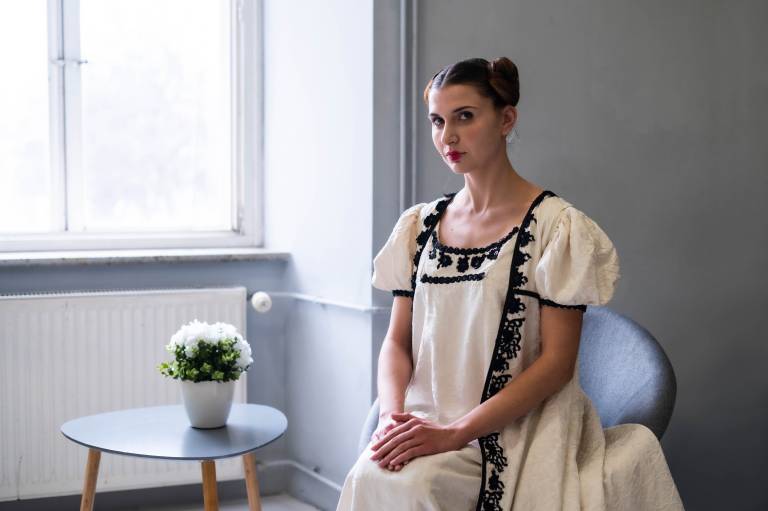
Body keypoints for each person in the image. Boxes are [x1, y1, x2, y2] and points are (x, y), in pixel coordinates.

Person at [337, 57, 684, 510]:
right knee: (372, 473)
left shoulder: (555, 227)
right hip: (428, 417)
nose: (448, 136)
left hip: (517, 428)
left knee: (416, 487)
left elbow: (557, 363)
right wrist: (390, 418)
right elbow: (396, 343)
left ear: (506, 119)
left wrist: (456, 433)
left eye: (465, 116)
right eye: (438, 121)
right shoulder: (418, 227)